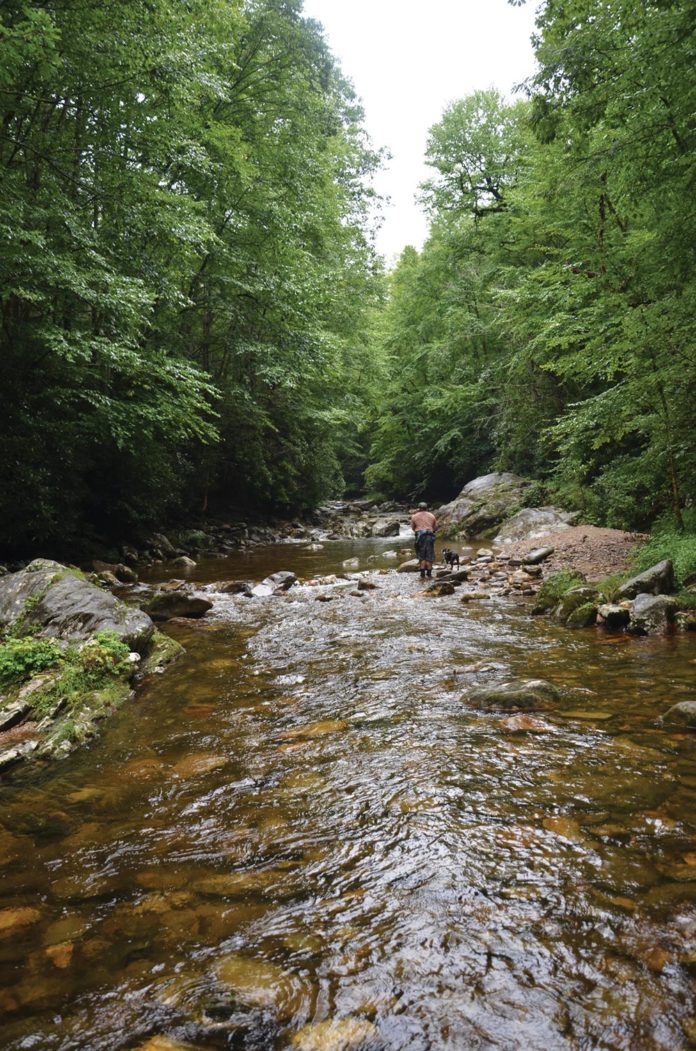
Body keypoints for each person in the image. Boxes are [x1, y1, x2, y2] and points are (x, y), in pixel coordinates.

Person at [410, 501, 437, 579]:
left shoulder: (414, 516)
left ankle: (422, 575)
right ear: (426, 508)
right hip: (429, 536)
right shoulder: (432, 515)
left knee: (422, 556)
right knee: (429, 555)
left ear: (419, 508)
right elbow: (435, 527)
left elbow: (413, 528)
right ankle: (429, 574)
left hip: (420, 537)